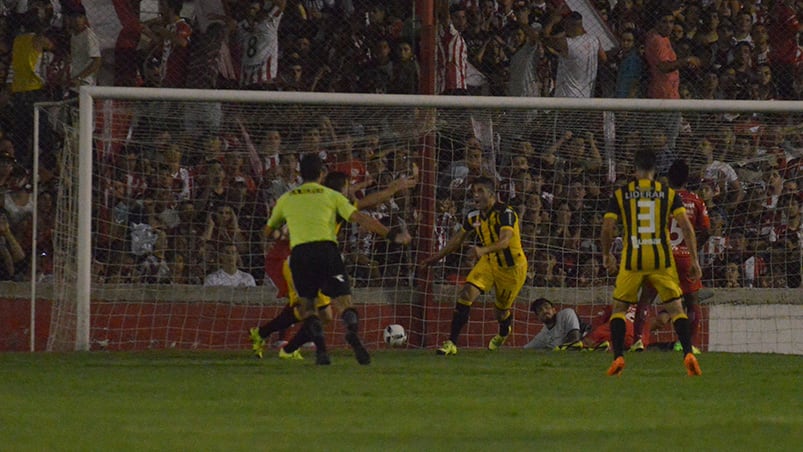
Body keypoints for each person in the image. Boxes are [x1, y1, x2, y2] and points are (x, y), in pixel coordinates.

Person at [251, 169, 417, 360]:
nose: (351, 191)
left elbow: (363, 201)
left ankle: (284, 346)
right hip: (288, 259)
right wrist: (392, 191)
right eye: (348, 187)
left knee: (324, 315)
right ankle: (268, 337)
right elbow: (366, 204)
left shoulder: (315, 198)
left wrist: (388, 189)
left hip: (308, 259)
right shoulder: (333, 203)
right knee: (307, 308)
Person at [600, 148, 702, 376]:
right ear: (656, 171)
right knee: (676, 308)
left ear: (635, 170)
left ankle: (618, 358)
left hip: (633, 257)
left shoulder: (621, 194)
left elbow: (607, 227)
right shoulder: (668, 193)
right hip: (661, 258)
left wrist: (607, 255)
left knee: (619, 308)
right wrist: (694, 259)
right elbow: (686, 226)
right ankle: (688, 353)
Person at [420, 176, 528, 355]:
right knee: (467, 292)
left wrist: (482, 250)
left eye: (480, 191)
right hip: (489, 262)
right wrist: (434, 259)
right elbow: (456, 241)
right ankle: (451, 343)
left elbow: (505, 241)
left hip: (512, 269)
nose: (475, 195)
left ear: (492, 194)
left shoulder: (506, 213)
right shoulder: (473, 216)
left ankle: (503, 331)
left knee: (501, 312)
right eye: (473, 192)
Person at [630, 159, 710, 354]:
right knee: (692, 301)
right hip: (684, 257)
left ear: (668, 177)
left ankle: (639, 340)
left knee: (647, 298)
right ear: (686, 179)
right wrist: (692, 249)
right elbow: (706, 229)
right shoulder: (696, 200)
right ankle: (685, 344)